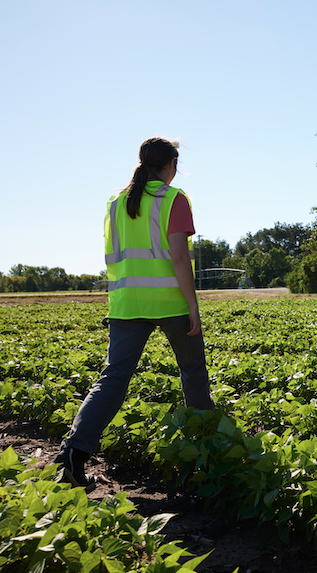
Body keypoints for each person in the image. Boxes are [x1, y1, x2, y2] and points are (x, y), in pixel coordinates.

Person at [55, 137, 215, 490]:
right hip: (170, 303)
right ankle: (210, 452)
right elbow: (178, 258)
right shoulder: (174, 198)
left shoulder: (115, 202)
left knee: (113, 380)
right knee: (193, 373)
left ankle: (72, 454)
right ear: (171, 164)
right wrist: (192, 305)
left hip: (126, 305)